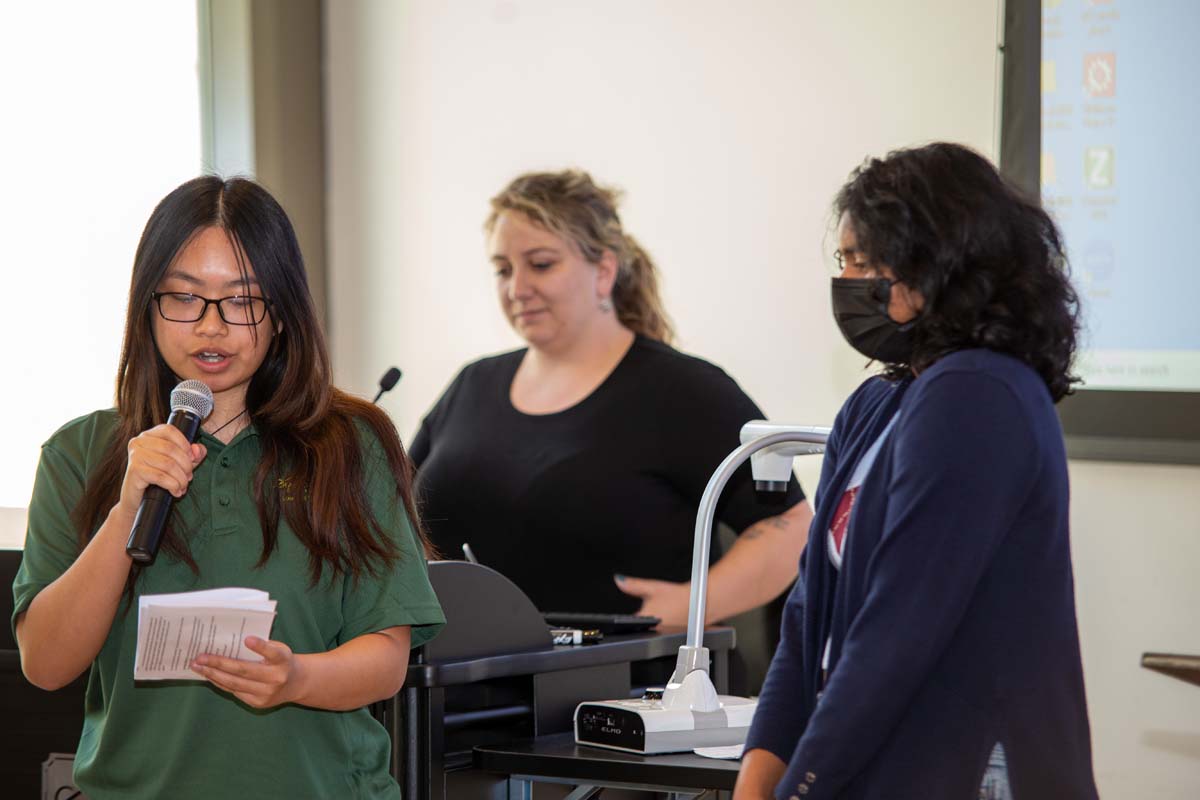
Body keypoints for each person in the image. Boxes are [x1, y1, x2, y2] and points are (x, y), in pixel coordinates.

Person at [13, 177, 445, 799]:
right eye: (184, 298)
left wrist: (296, 678)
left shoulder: (351, 444)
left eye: (242, 301)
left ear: (283, 313)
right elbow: (47, 663)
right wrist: (126, 505)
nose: (211, 328)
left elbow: (386, 656)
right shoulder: (79, 453)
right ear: (147, 306)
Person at [734, 143, 1099, 800]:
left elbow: (900, 628)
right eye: (842, 261)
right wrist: (760, 774)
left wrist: (802, 785)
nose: (846, 281)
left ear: (934, 270)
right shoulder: (876, 405)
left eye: (863, 262)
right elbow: (807, 612)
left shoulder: (979, 393)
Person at [411, 169, 813, 626]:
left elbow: (791, 529)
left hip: (625, 687)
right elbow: (392, 519)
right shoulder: (472, 384)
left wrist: (689, 606)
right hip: (461, 684)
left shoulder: (681, 390)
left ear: (603, 272)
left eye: (540, 264)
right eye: (503, 270)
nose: (517, 288)